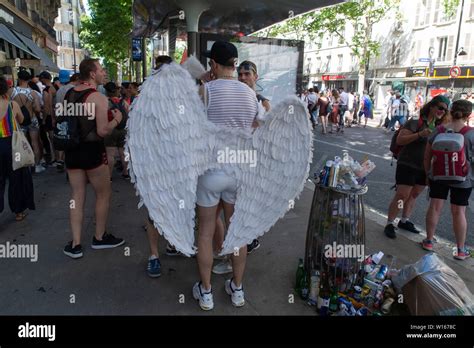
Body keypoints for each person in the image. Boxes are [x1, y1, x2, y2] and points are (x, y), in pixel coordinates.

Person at [192, 40, 259, 310]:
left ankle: (206, 291)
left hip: (210, 172)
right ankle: (238, 289)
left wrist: (205, 84)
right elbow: (254, 130)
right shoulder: (250, 94)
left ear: (214, 64)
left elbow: (192, 129)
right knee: (237, 232)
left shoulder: (205, 90)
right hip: (238, 172)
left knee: (206, 233)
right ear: (235, 64)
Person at [62, 58, 125, 259]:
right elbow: (102, 130)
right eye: (101, 69)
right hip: (92, 152)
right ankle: (99, 237)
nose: (103, 72)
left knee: (77, 195)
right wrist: (117, 119)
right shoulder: (97, 97)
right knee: (103, 194)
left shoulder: (69, 93)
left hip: (72, 151)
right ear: (91, 73)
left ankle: (76, 244)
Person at [384, 95, 450, 239]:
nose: (442, 112)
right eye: (440, 108)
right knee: (402, 195)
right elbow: (400, 140)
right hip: (407, 163)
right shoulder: (416, 121)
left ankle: (404, 220)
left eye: (445, 110)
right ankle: (390, 222)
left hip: (424, 166)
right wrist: (420, 134)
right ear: (432, 106)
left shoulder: (440, 128)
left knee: (414, 195)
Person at [422, 99, 473, 260]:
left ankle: (429, 241)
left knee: (435, 207)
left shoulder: (439, 130)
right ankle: (460, 250)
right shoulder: (471, 133)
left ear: (450, 111)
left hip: (439, 175)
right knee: (459, 212)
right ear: (469, 114)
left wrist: (428, 174)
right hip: (463, 178)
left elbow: (427, 156)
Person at [0, 76, 35, 221]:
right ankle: (18, 211)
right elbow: (21, 120)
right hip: (12, 145)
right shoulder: (12, 104)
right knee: (16, 178)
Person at [11, 70, 43, 173]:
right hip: (32, 119)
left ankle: (22, 166)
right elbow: (38, 109)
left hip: (19, 121)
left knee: (20, 144)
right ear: (29, 79)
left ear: (19, 78)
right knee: (35, 143)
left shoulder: (12, 91)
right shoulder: (33, 93)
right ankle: (37, 165)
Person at [54, 73, 80, 173]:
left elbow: (57, 104)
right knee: (71, 138)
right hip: (72, 116)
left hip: (61, 115)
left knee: (62, 137)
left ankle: (60, 159)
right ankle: (71, 161)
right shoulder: (75, 90)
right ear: (77, 79)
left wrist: (56, 117)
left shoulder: (61, 89)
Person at [103, 82, 129, 180]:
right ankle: (126, 172)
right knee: (124, 153)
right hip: (123, 130)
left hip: (111, 128)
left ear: (106, 91)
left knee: (110, 154)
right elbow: (128, 113)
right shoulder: (123, 102)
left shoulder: (105, 101)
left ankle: (109, 176)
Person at [39, 71, 57, 164]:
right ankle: (57, 158)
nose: (40, 80)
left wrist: (44, 119)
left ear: (44, 78)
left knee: (51, 138)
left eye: (41, 79)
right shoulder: (54, 87)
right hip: (55, 114)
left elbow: (47, 106)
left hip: (50, 116)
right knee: (54, 138)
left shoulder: (47, 90)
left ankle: (54, 158)